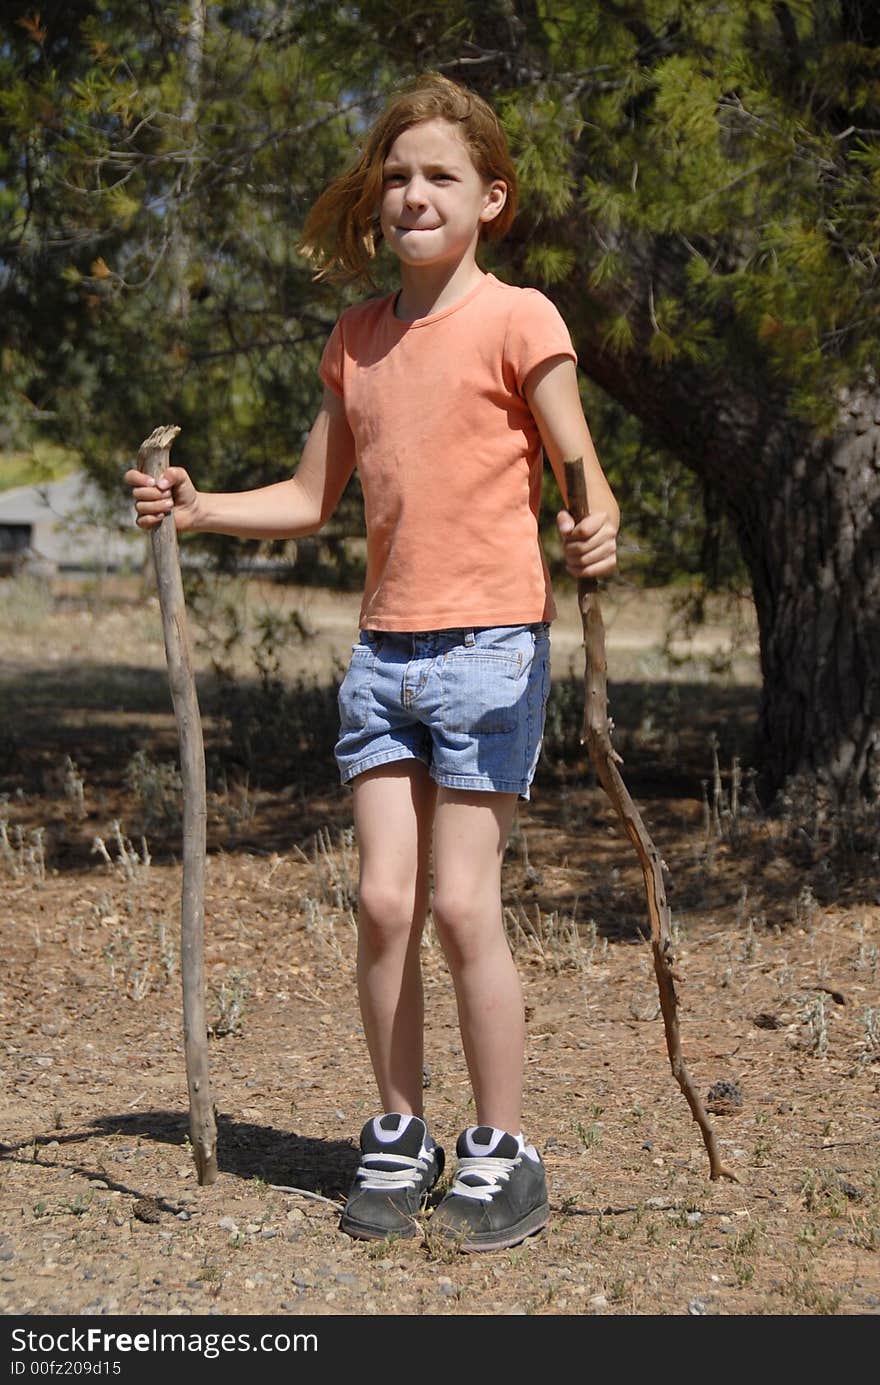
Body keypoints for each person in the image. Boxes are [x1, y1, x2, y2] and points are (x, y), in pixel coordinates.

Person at [125, 72, 619, 1253]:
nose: (414, 193)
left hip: (492, 649)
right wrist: (198, 511)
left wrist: (595, 520)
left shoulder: (520, 318)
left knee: (460, 902)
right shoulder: (356, 339)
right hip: (385, 656)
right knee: (382, 899)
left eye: (441, 174)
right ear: (374, 199)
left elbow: (579, 467)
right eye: (395, 175)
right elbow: (310, 495)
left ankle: (503, 1148)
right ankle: (400, 1129)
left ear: (490, 197)